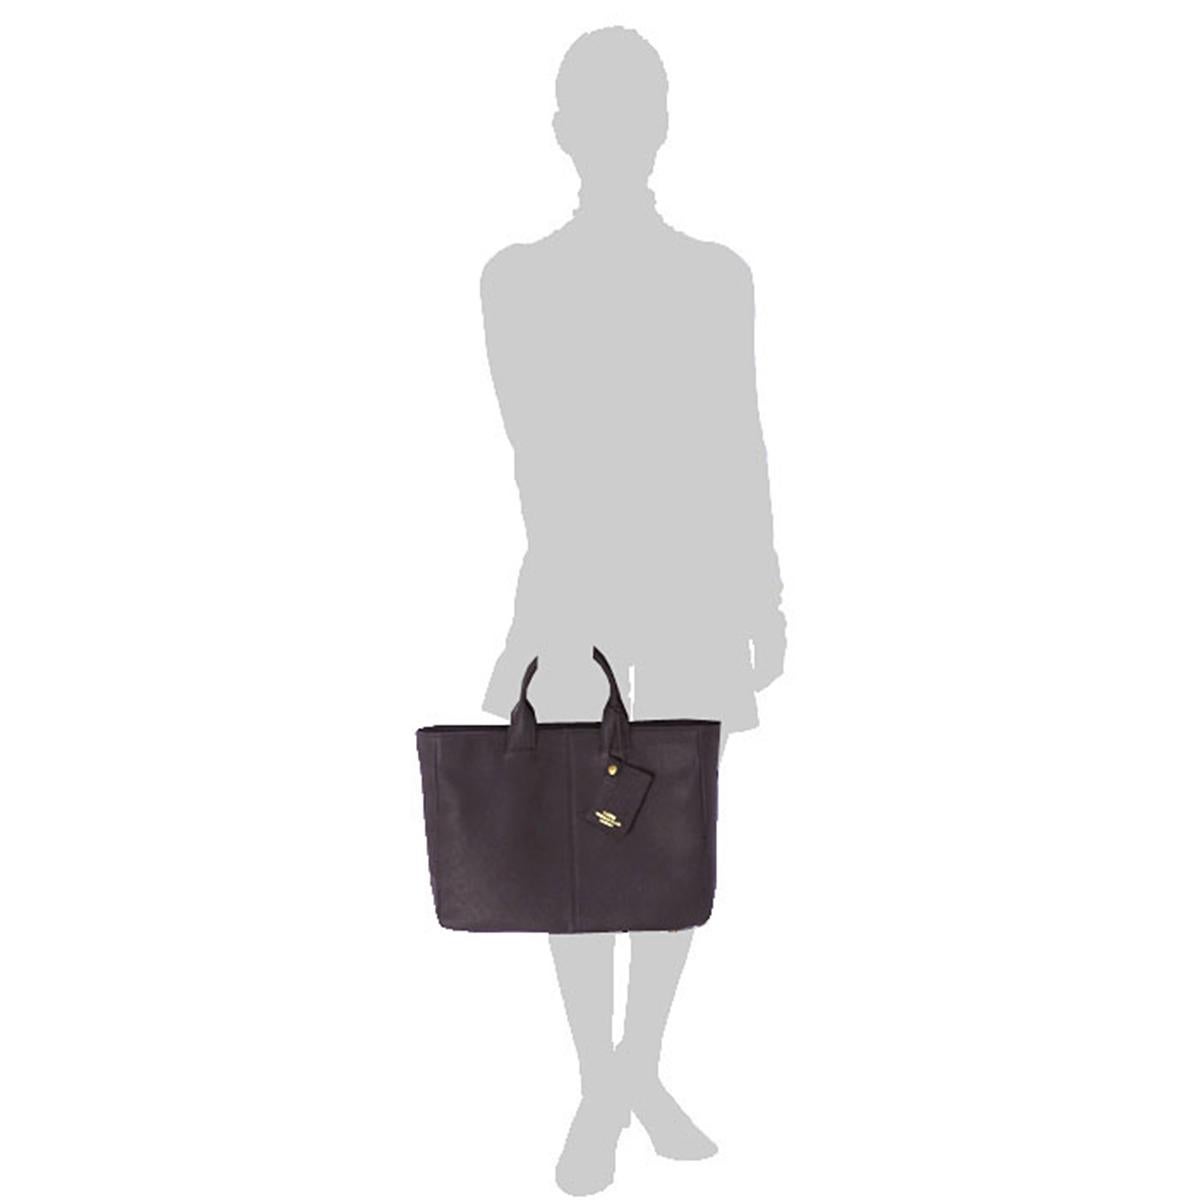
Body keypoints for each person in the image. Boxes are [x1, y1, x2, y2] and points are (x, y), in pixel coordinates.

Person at [478, 26, 786, 1194]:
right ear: (567, 132)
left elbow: (741, 441)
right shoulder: (517, 279)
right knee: (582, 840)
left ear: (660, 127)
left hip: (677, 588)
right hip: (579, 587)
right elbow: (539, 448)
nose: (618, 133)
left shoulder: (717, 278)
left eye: (634, 110)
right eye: (602, 113)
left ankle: (627, 1076)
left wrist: (763, 593)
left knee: (668, 840)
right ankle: (609, 1087)